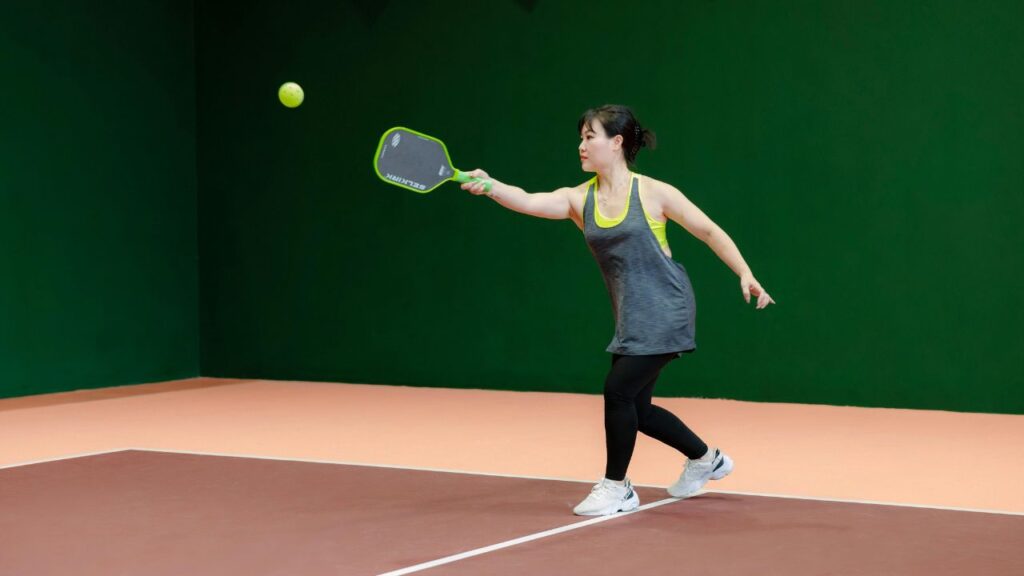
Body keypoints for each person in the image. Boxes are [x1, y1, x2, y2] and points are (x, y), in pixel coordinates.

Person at [460, 105, 775, 516]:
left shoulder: (653, 193)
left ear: (618, 142)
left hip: (667, 307)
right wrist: (492, 186)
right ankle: (706, 460)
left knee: (618, 391)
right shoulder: (579, 198)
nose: (582, 145)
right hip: (630, 316)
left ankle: (617, 487)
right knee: (638, 409)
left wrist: (745, 272)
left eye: (590, 136)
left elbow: (708, 230)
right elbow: (529, 200)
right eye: (581, 137)